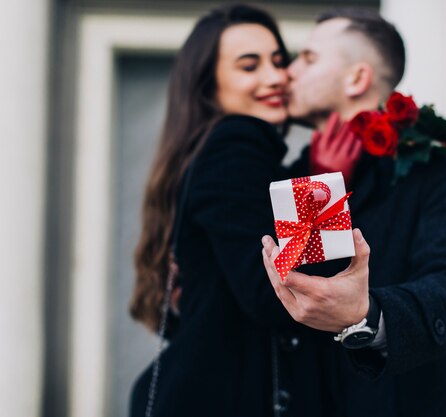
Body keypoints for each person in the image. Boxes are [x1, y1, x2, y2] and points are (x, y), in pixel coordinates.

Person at [262, 8, 446, 417]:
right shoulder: (300, 173)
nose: (289, 72)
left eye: (309, 58)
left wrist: (368, 314)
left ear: (357, 78)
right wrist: (320, 186)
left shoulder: (435, 167)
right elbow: (287, 300)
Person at [128, 5, 336, 417]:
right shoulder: (235, 144)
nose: (275, 77)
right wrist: (324, 181)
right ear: (209, 88)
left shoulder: (226, 152)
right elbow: (275, 294)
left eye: (279, 61)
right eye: (249, 66)